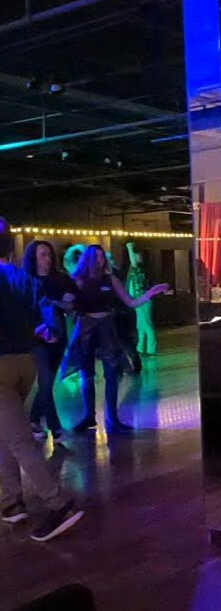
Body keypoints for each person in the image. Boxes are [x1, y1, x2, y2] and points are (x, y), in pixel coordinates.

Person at [0, 217, 83, 541]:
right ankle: (11, 501)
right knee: (6, 434)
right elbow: (41, 321)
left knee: (19, 440)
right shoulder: (25, 279)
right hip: (26, 363)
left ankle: (59, 503)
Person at [63, 245, 168, 434]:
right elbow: (69, 308)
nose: (100, 260)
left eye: (102, 257)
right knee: (87, 375)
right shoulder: (78, 280)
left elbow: (130, 302)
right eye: (96, 257)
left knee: (111, 374)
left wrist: (150, 293)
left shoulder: (110, 280)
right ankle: (89, 416)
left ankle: (112, 418)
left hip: (106, 328)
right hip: (86, 328)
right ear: (88, 259)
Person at [23, 240, 77, 443]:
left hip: (58, 335)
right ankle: (55, 428)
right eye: (43, 254)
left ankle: (34, 419)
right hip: (37, 338)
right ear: (34, 258)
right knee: (45, 383)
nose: (48, 258)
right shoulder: (27, 280)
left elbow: (71, 307)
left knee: (47, 383)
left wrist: (56, 303)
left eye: (49, 254)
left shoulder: (61, 279)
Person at [107, 251, 142, 375]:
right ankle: (125, 367)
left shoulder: (113, 276)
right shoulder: (113, 274)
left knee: (123, 343)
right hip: (119, 313)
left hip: (120, 313)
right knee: (122, 343)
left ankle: (128, 367)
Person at [126, 242, 157, 356]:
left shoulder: (139, 269)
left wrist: (129, 248)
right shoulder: (140, 269)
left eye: (137, 255)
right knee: (142, 326)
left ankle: (150, 349)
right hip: (140, 300)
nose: (135, 257)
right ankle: (142, 348)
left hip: (142, 300)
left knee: (146, 325)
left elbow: (133, 262)